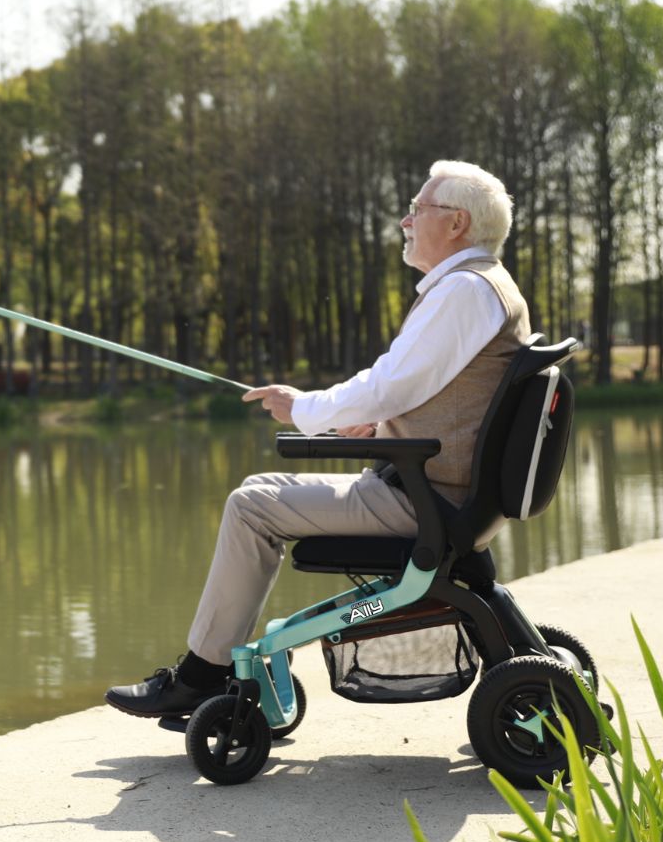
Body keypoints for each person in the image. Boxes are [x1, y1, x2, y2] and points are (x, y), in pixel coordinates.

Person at [106, 160, 530, 718]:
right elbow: (430, 393)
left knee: (249, 506)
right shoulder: (481, 287)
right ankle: (211, 666)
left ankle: (202, 674)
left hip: (424, 497)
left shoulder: (463, 292)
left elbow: (388, 383)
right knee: (261, 488)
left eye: (416, 210)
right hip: (438, 488)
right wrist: (372, 425)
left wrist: (302, 408)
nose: (405, 222)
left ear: (455, 223)